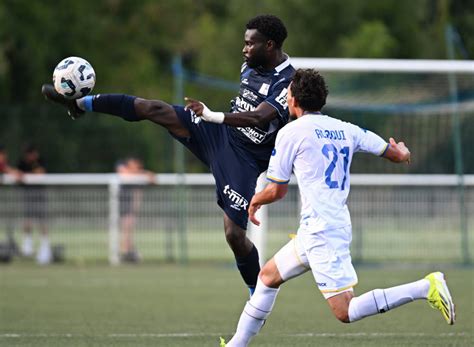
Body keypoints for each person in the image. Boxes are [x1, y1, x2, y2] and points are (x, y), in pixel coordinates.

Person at [41, 15, 294, 294]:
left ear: (269, 45)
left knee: (234, 235)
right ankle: (80, 103)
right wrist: (212, 120)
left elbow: (259, 118)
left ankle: (258, 295)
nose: (244, 49)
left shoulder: (288, 81)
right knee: (155, 109)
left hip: (244, 159)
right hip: (218, 133)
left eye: (250, 44)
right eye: (244, 43)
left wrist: (211, 115)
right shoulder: (250, 65)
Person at [221, 69, 455, 347]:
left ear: (292, 99)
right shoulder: (346, 128)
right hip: (318, 228)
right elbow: (391, 152)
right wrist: (402, 152)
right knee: (268, 277)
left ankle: (425, 287)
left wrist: (255, 200)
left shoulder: (291, 133)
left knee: (345, 311)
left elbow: (277, 190)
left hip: (323, 232)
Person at [116, 157, 155, 263]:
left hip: (132, 209)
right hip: (124, 207)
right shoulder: (124, 170)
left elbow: (152, 179)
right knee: (125, 229)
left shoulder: (139, 177)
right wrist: (143, 173)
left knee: (129, 229)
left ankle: (128, 252)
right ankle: (124, 252)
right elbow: (123, 173)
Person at [17, 144, 51, 264]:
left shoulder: (40, 161)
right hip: (28, 194)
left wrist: (27, 175)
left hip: (40, 194)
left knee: (42, 221)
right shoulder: (22, 162)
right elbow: (18, 175)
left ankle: (45, 248)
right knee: (27, 219)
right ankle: (27, 244)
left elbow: (41, 173)